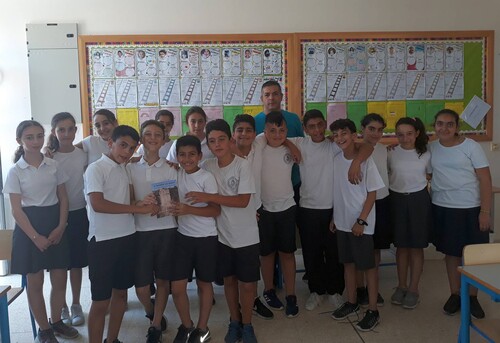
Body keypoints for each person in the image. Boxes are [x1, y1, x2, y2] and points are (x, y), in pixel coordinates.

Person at [4, 120, 79, 342]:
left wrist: (60, 226)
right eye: (29, 137)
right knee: (35, 282)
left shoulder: (53, 165)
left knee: (59, 278)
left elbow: (63, 198)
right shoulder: (15, 171)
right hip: (29, 228)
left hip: (55, 222)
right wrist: (35, 237)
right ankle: (44, 329)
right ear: (20, 141)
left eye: (39, 136)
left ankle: (57, 321)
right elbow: (16, 210)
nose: (36, 141)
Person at [188, 119, 260, 342]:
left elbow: (242, 201)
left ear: (230, 140)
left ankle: (247, 325)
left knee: (247, 285)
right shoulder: (208, 165)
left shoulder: (242, 165)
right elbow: (187, 167)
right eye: (211, 141)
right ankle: (234, 321)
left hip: (246, 235)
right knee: (229, 282)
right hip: (222, 236)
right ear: (207, 146)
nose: (217, 145)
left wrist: (208, 197)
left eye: (221, 139)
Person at [84, 125, 158, 343]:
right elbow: (97, 204)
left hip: (127, 238)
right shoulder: (95, 169)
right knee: (100, 301)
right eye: (122, 145)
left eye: (132, 148)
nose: (127, 152)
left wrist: (140, 203)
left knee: (122, 294)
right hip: (103, 242)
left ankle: (112, 339)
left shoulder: (125, 168)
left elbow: (125, 202)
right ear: (110, 143)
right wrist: (137, 209)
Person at [296, 110, 373, 312]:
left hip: (332, 209)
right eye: (311, 126)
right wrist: (288, 144)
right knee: (311, 253)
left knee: (334, 254)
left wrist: (356, 162)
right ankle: (316, 290)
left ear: (325, 124)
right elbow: (277, 140)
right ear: (305, 129)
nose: (317, 130)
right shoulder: (300, 144)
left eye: (320, 124)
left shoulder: (334, 145)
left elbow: (366, 147)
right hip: (307, 209)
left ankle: (335, 291)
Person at [430, 109, 492, 319]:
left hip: (471, 208)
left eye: (449, 124)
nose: (444, 128)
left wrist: (485, 211)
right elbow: (428, 173)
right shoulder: (432, 148)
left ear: (457, 127)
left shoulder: (471, 147)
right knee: (451, 253)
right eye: (440, 124)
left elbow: (485, 179)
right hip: (443, 207)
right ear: (434, 126)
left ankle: (472, 297)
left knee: (472, 254)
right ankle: (455, 294)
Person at [330, 119, 384, 332]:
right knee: (348, 264)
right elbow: (339, 191)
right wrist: (335, 217)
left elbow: (372, 193)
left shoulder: (366, 162)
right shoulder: (336, 159)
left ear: (354, 135)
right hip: (342, 222)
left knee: (368, 268)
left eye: (344, 133)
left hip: (361, 224)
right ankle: (352, 302)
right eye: (336, 135)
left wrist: (361, 220)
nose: (340, 138)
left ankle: (373, 310)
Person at [127, 120, 178, 342]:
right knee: (141, 287)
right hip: (140, 231)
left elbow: (175, 202)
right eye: (148, 134)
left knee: (164, 279)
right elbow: (128, 200)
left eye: (158, 134)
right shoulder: (130, 167)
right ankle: (151, 309)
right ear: (141, 138)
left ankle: (155, 326)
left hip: (167, 230)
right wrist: (140, 203)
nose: (153, 138)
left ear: (165, 138)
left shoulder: (171, 167)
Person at [168, 135, 221, 343]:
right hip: (183, 238)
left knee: (204, 284)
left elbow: (215, 210)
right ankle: (187, 325)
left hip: (206, 238)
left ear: (200, 156)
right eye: (182, 154)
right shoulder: (175, 174)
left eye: (192, 154)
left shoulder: (206, 177)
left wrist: (188, 209)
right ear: (177, 156)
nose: (187, 158)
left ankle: (202, 327)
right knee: (177, 288)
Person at [46, 112, 89, 327]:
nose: (66, 133)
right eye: (61, 129)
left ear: (75, 130)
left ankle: (76, 304)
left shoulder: (82, 154)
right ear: (54, 132)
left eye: (70, 129)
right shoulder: (49, 157)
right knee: (60, 263)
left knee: (76, 263)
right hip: (56, 215)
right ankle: (61, 305)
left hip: (79, 213)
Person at [231, 114, 274, 320]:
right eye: (240, 130)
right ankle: (237, 307)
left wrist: (293, 149)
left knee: (254, 260)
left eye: (249, 130)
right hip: (232, 217)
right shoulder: (225, 153)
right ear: (233, 133)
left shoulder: (259, 143)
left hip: (256, 212)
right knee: (235, 265)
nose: (244, 134)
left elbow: (282, 138)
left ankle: (254, 299)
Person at [258, 111, 300, 318]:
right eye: (272, 130)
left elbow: (319, 141)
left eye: (281, 130)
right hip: (264, 210)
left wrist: (290, 144)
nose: (277, 134)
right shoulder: (259, 145)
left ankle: (291, 295)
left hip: (287, 208)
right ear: (264, 131)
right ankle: (269, 290)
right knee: (266, 255)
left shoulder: (292, 143)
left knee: (287, 253)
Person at [388, 117, 432, 310]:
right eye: (400, 134)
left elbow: (429, 175)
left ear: (417, 134)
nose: (405, 138)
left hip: (418, 201)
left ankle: (414, 289)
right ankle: (402, 285)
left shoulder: (426, 154)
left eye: (409, 134)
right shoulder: (390, 152)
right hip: (396, 200)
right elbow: (388, 173)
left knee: (416, 246)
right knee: (401, 246)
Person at [356, 113, 391, 307]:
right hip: (361, 205)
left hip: (382, 202)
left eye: (380, 130)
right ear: (362, 128)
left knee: (376, 249)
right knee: (360, 249)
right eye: (371, 129)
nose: (376, 133)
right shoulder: (355, 148)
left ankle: (372, 287)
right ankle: (360, 288)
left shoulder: (385, 149)